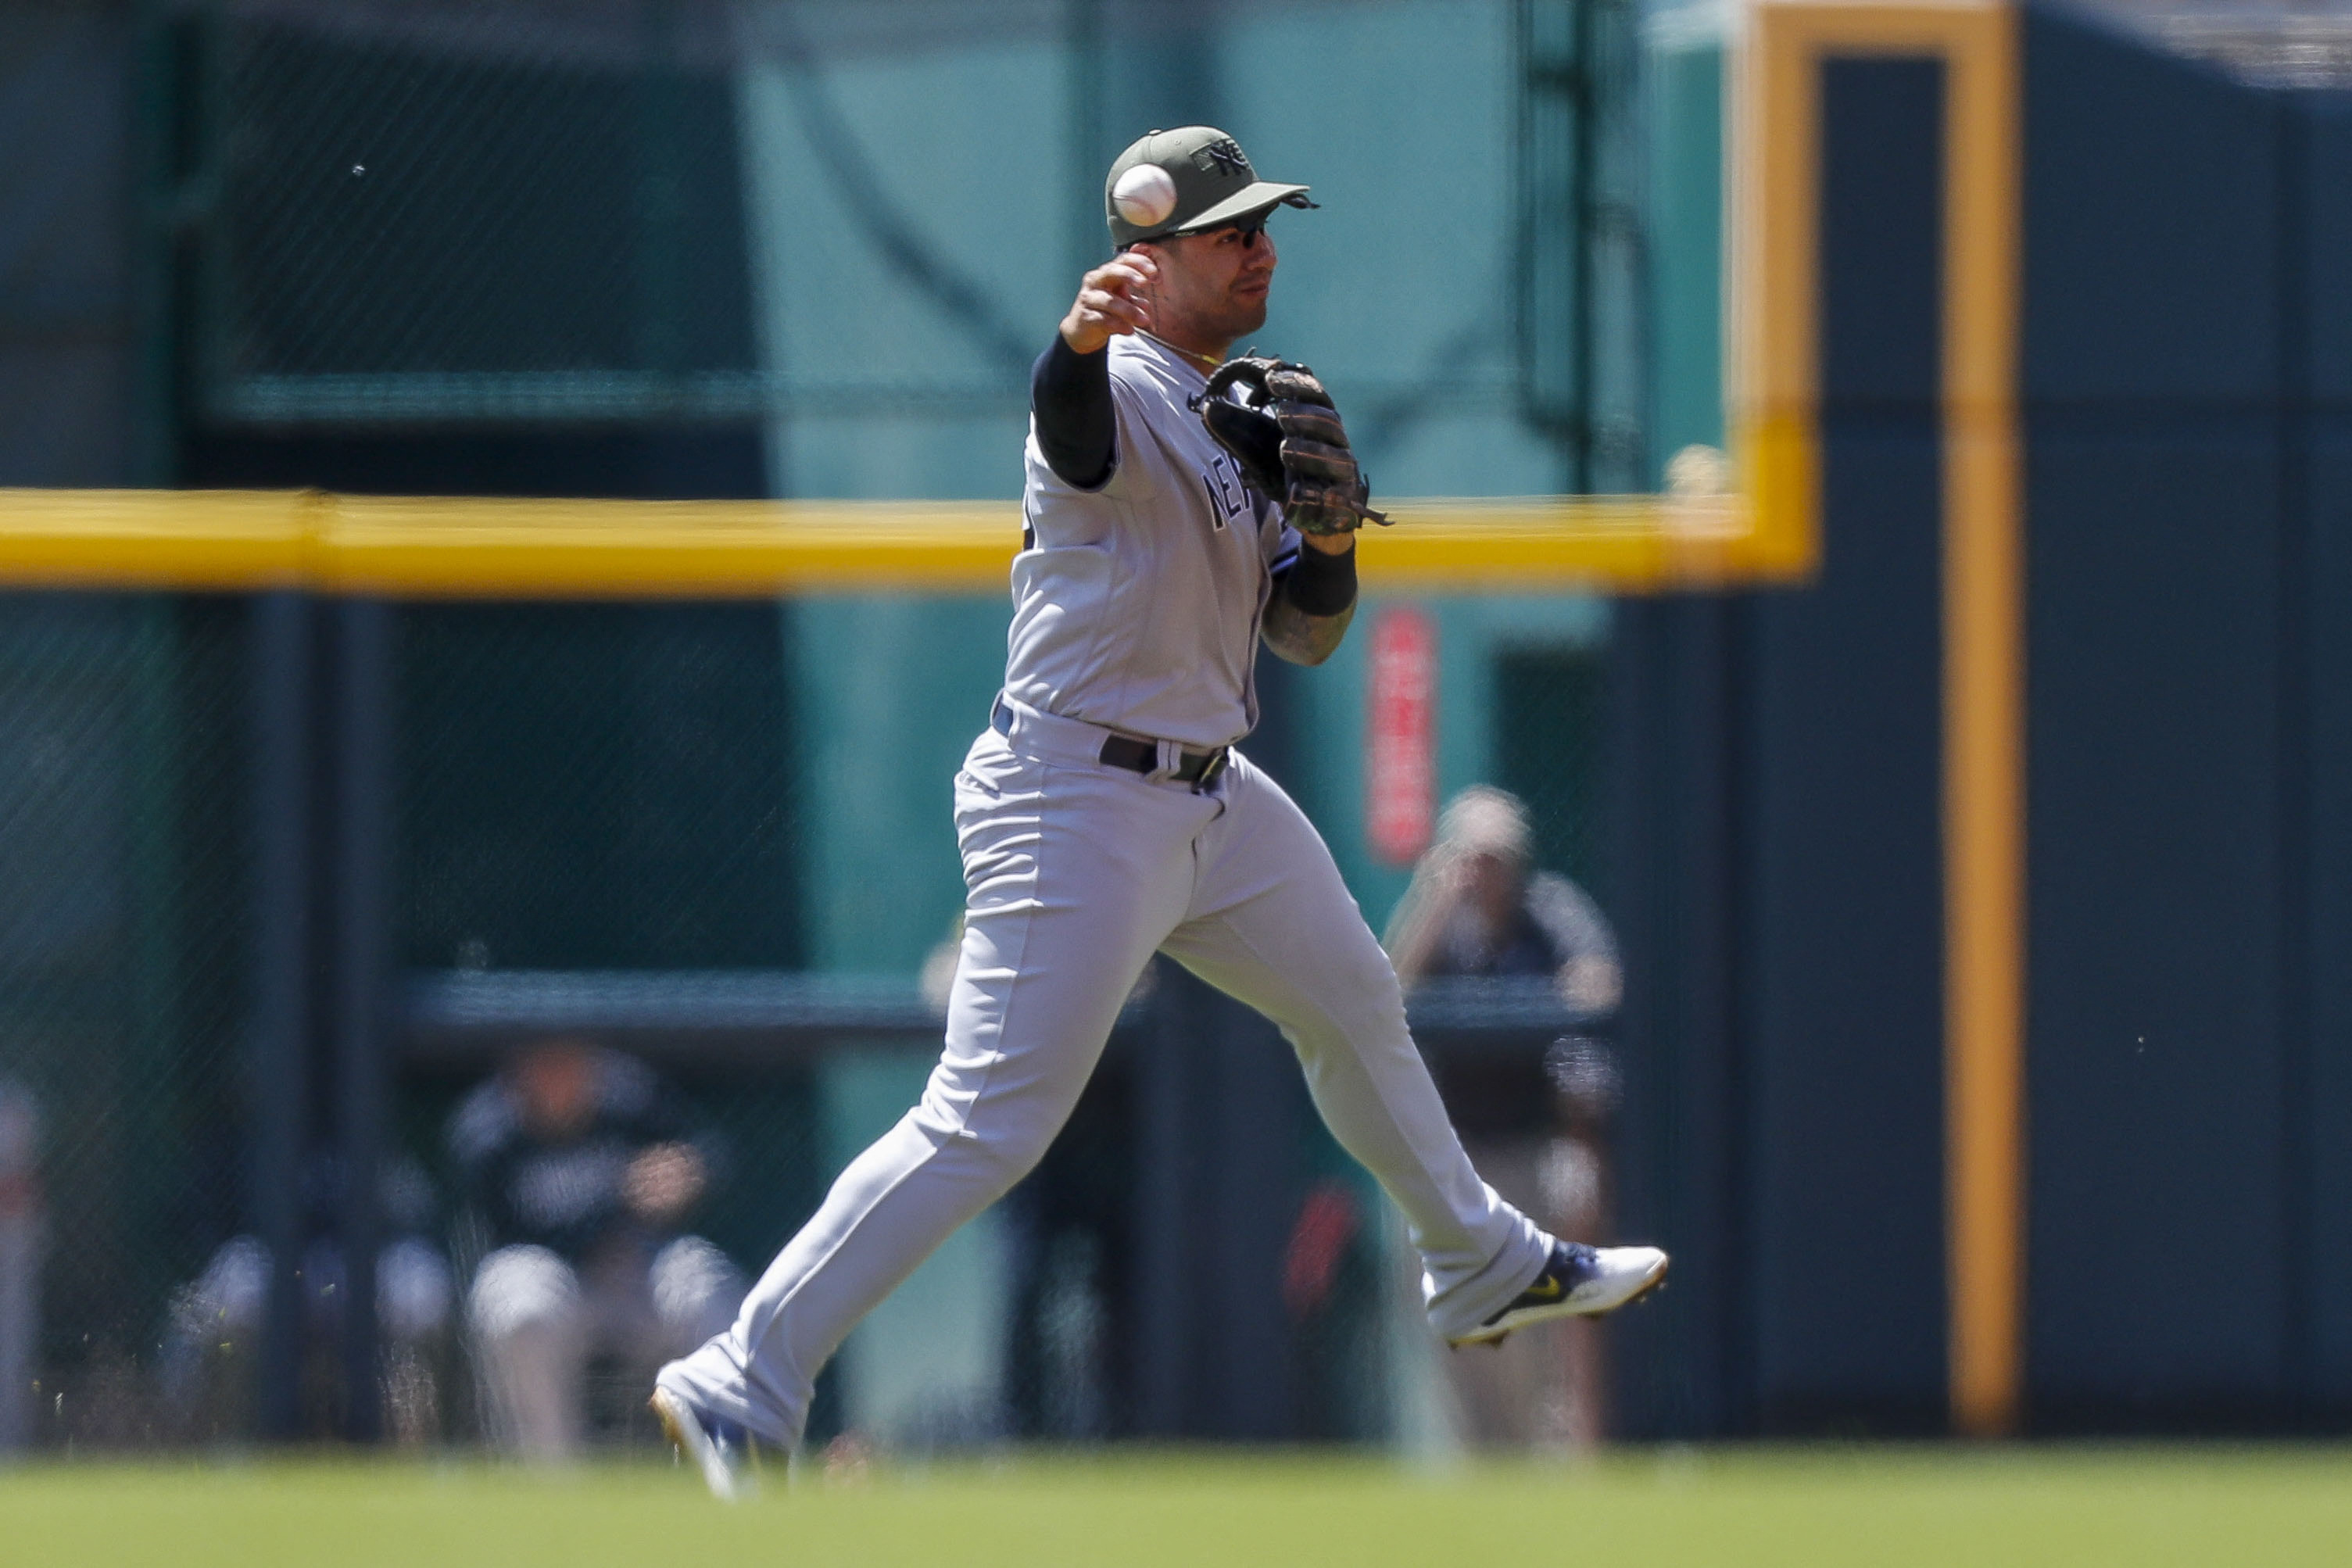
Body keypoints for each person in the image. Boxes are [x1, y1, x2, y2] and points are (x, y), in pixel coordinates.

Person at [650, 126, 1667, 1495]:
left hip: (1206, 792)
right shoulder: (1120, 383)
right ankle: (741, 1377)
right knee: (988, 1118)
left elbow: (1304, 636)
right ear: (1148, 257)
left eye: (1264, 224)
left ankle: (1476, 1260)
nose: (1259, 248)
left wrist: (1333, 536)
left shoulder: (1236, 407)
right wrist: (1072, 339)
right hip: (1074, 790)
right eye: (1227, 229)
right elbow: (1066, 428)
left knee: (1352, 998)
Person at [452, 1038, 742, 1460]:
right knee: (520, 1303)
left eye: (571, 1062)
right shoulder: (487, 1131)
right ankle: (553, 1480)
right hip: (557, 1294)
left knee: (704, 1281)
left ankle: (726, 1460)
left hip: (636, 1282)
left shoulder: (631, 1097)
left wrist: (687, 1173)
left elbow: (708, 1152)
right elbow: (499, 1239)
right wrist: (619, 1202)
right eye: (544, 1064)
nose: (559, 1077)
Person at [1386, 785, 1622, 1014]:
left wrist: (1579, 984)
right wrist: (1436, 906)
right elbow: (1397, 992)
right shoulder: (1445, 916)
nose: (1485, 871)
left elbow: (1601, 979)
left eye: (1496, 859)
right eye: (1475, 859)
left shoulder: (1550, 902)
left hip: (1541, 1048)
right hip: (1460, 1050)